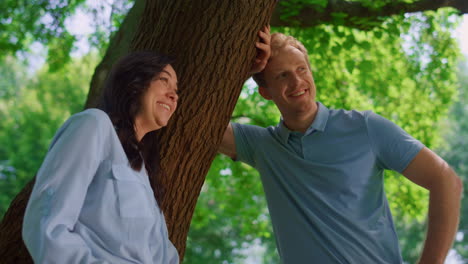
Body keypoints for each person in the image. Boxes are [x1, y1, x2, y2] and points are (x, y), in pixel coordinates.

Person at [220, 29, 463, 263]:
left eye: (301, 69)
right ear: (265, 92)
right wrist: (240, 73)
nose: (297, 81)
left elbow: (445, 179)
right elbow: (197, 120)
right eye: (282, 75)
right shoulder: (262, 146)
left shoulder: (366, 127)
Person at [23, 51, 180, 263]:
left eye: (176, 90)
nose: (173, 95)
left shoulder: (142, 168)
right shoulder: (94, 124)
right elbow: (46, 225)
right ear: (134, 83)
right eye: (164, 80)